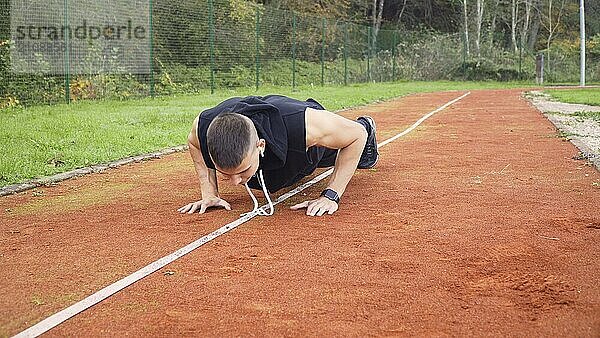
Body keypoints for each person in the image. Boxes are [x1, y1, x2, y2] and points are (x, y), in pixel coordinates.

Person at [177, 94, 378, 217]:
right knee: (276, 178)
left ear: (260, 145)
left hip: (305, 147)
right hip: (269, 151)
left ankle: (365, 122)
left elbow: (356, 136)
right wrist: (209, 192)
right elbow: (194, 143)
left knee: (340, 150)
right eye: (226, 174)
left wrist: (331, 196)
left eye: (242, 171)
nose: (236, 182)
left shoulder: (304, 126)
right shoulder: (204, 127)